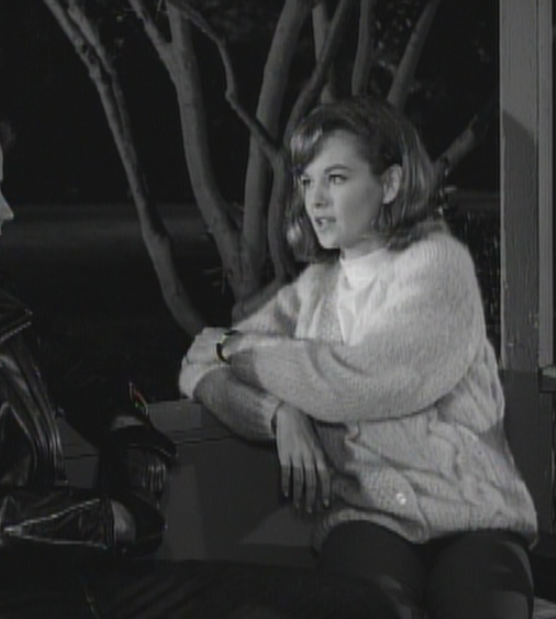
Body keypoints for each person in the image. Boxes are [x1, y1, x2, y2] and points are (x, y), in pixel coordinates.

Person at [0, 94, 398, 619]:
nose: (7, 211)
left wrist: (130, 444)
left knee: (352, 608)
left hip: (74, 584)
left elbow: (93, 380)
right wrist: (108, 520)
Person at [179, 96, 538, 619]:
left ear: (389, 184)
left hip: (474, 515)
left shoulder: (439, 266)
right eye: (306, 181)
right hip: (369, 518)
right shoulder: (314, 291)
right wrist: (277, 413)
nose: (315, 200)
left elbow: (364, 382)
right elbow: (199, 365)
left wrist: (240, 350)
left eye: (337, 178)